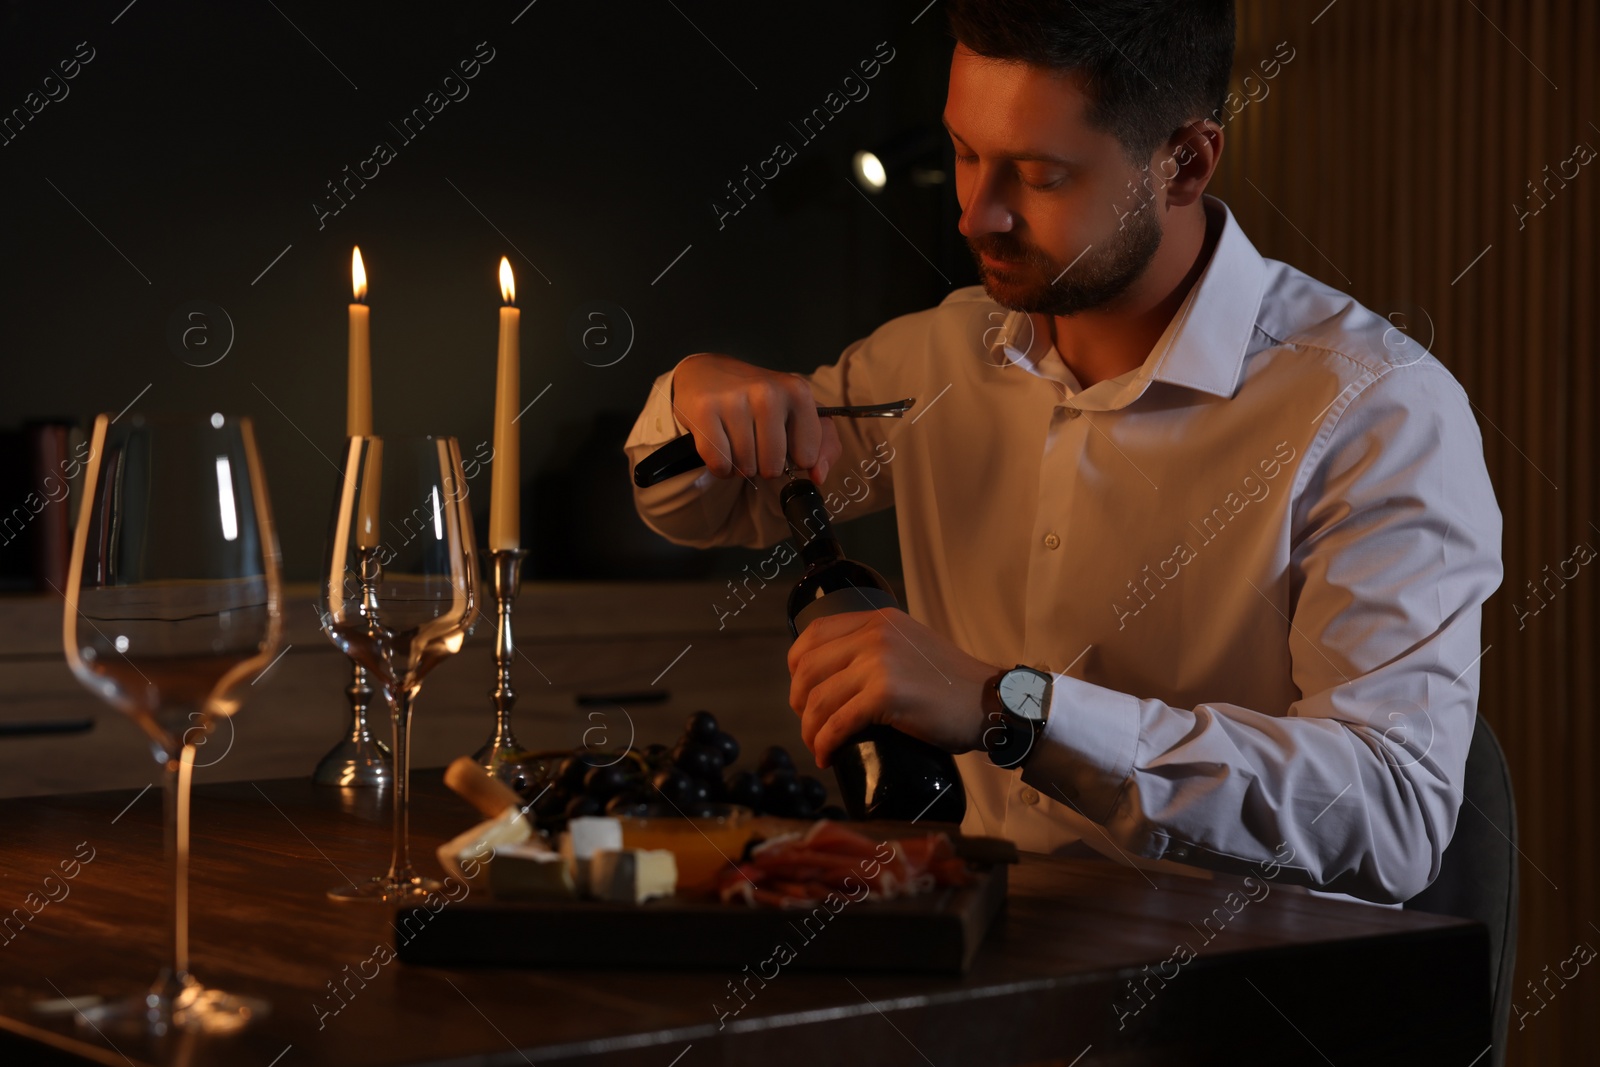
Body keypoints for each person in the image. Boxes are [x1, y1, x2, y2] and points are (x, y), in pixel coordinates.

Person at [623, 0, 1502, 905]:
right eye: (966, 153)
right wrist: (695, 393)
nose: (975, 216)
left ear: (1186, 162)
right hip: (985, 965)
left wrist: (1012, 706)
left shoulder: (1378, 412)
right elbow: (705, 504)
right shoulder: (940, 358)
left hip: (1238, 996)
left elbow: (1393, 817)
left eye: (1039, 176)